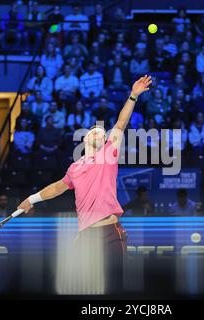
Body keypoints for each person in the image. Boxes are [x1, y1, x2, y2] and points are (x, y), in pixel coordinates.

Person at [17, 75, 152, 294]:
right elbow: (57, 188)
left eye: (102, 133)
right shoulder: (74, 169)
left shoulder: (109, 154)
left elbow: (120, 123)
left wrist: (133, 96)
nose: (100, 133)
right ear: (85, 140)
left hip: (110, 232)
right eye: (95, 132)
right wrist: (30, 200)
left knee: (115, 288)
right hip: (86, 236)